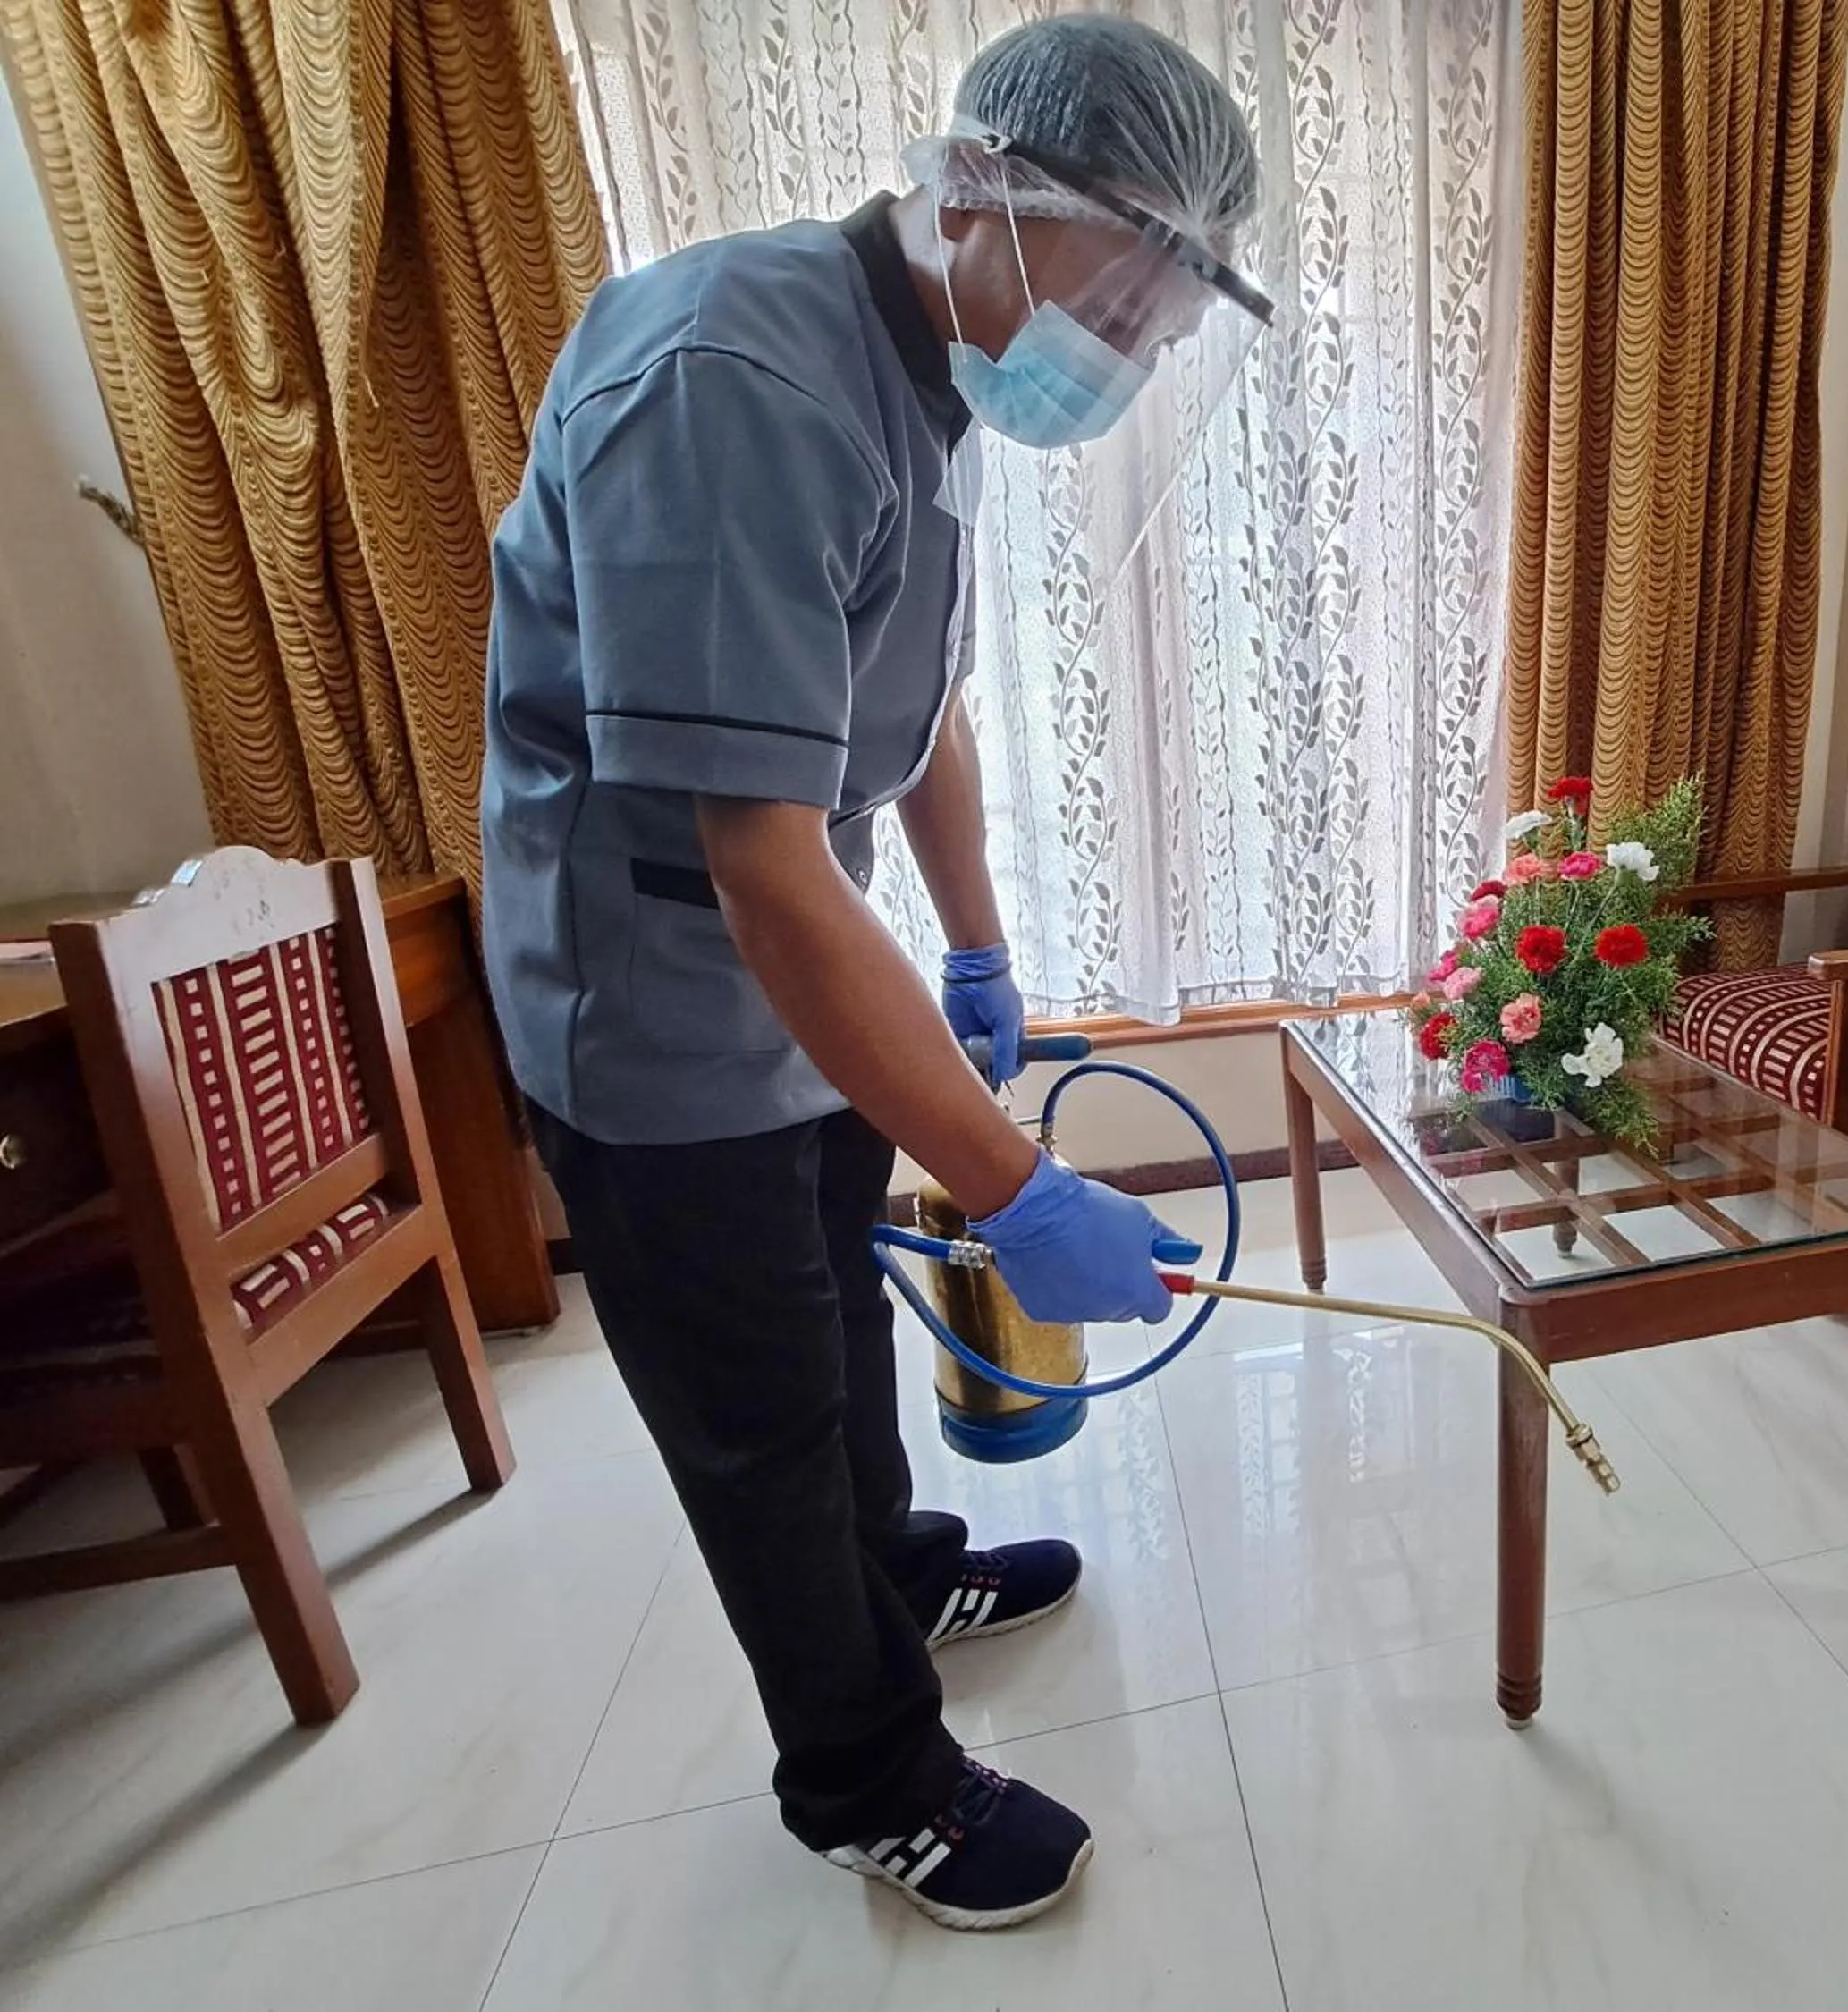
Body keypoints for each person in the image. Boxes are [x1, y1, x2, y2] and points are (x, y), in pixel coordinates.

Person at [479, 18, 1271, 1932]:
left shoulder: (928, 372)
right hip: (655, 1010)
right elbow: (752, 861)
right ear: (994, 193)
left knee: (839, 1307)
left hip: (799, 973)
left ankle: (900, 1564)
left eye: (1169, 328)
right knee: (755, 1407)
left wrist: (978, 942)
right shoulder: (737, 377)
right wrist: (1014, 1183)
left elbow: (918, 712)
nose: (1138, 351)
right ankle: (868, 1780)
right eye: (1138, 300)